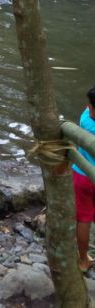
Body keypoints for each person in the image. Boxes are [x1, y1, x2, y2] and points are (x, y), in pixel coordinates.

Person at [73, 86, 95, 271]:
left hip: (81, 176)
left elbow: (88, 107)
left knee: (84, 218)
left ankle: (83, 260)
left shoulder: (85, 120)